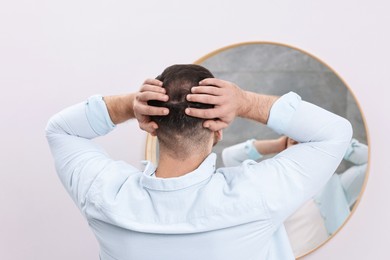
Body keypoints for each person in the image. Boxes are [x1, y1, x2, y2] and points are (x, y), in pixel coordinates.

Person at [45, 64, 352, 260]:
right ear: (218, 129)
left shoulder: (104, 196)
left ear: (151, 126)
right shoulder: (257, 195)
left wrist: (129, 104)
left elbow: (61, 129)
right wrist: (245, 101)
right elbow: (334, 134)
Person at [222, 136, 368, 257]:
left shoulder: (334, 187)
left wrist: (334, 143)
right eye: (295, 143)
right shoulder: (268, 184)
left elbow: (372, 163)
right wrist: (277, 144)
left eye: (308, 144)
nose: (301, 148)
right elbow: (230, 157)